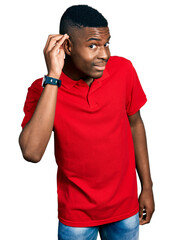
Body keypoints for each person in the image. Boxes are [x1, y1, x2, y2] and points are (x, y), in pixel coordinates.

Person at [18, 4, 155, 240]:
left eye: (106, 44)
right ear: (67, 46)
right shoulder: (43, 91)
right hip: (77, 217)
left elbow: (136, 125)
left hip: (125, 210)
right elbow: (32, 152)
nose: (104, 54)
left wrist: (148, 187)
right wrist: (53, 77)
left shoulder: (123, 70)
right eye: (92, 45)